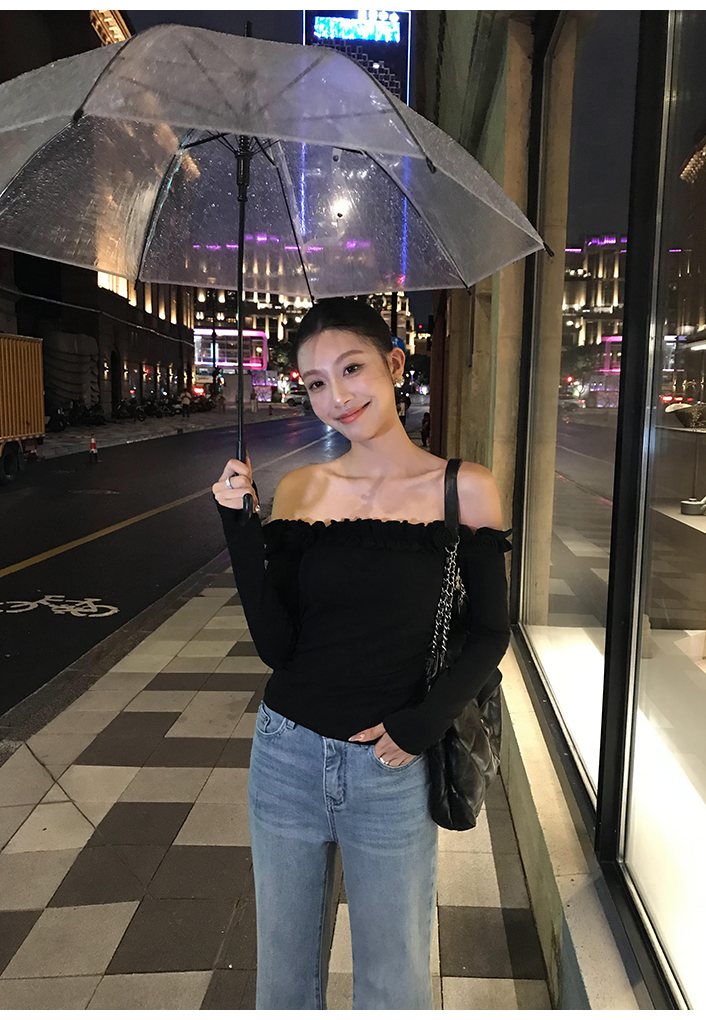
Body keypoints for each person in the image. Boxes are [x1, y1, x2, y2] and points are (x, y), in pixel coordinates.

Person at [213, 297, 511, 1010]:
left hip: (391, 765)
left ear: (394, 364)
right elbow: (277, 646)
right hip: (284, 755)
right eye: (316, 382)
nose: (337, 397)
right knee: (284, 980)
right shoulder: (302, 489)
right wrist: (238, 530)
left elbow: (491, 631)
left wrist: (419, 727)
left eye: (352, 369)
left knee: (394, 981)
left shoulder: (462, 488)